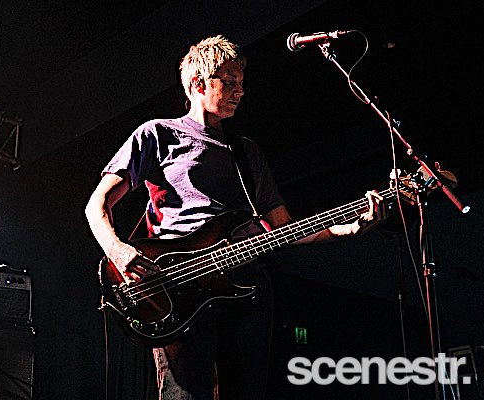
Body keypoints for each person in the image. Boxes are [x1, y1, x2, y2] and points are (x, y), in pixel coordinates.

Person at [86, 34, 382, 400]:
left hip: (246, 284)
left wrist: (348, 228)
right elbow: (96, 204)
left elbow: (284, 228)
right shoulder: (158, 134)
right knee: (185, 394)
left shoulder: (248, 153)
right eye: (228, 82)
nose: (240, 91)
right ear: (198, 83)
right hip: (178, 285)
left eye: (241, 82)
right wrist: (117, 250)